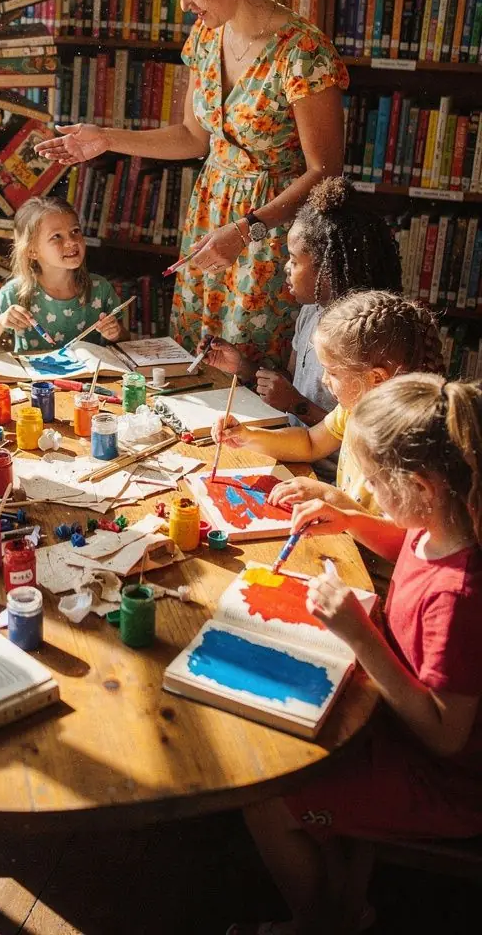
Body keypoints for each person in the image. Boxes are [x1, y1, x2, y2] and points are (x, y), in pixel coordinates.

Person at [37, 0, 347, 366]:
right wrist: (106, 140)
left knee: (252, 370)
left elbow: (325, 171)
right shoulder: (205, 39)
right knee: (196, 360)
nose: (186, 6)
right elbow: (190, 137)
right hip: (209, 217)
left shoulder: (303, 52)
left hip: (272, 233)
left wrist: (246, 230)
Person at [228, 373, 482, 935]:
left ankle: (320, 922)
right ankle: (341, 893)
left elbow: (445, 737)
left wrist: (360, 634)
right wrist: (353, 521)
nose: (359, 483)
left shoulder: (460, 597)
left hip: (445, 781)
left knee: (264, 797)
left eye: (371, 477)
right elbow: (407, 547)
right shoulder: (441, 527)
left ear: (420, 485)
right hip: (393, 723)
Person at [216, 289, 445, 521]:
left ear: (376, 378)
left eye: (332, 372)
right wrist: (247, 435)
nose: (325, 380)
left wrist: (331, 498)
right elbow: (309, 443)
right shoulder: (351, 411)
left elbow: (402, 543)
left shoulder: (407, 442)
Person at [204, 177, 402, 429]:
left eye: (295, 261)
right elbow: (290, 381)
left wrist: (297, 405)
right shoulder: (311, 310)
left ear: (328, 269)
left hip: (326, 466)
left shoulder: (362, 335)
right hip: (295, 443)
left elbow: (360, 435)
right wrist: (243, 368)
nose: (286, 268)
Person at [0, 196, 127, 355]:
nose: (71, 242)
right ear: (32, 251)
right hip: (36, 379)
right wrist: (0, 322)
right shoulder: (14, 292)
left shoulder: (100, 288)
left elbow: (125, 340)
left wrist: (116, 334)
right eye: (56, 236)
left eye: (75, 231)